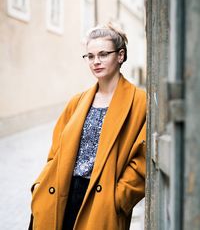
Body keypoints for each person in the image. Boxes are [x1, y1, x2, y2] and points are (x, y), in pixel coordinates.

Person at [29, 22, 146, 230]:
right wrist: (40, 185)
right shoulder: (78, 101)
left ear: (120, 56)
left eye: (103, 54)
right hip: (62, 194)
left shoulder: (138, 102)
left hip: (102, 199)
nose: (96, 62)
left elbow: (142, 160)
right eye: (90, 56)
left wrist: (119, 198)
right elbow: (55, 152)